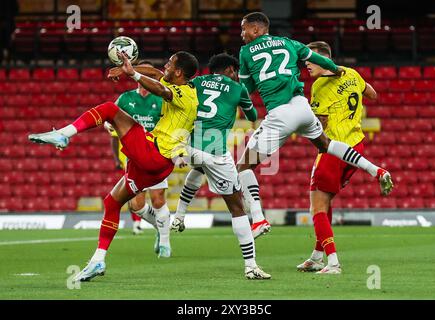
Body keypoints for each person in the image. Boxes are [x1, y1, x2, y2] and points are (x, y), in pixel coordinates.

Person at [28, 51, 199, 281]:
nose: (165, 65)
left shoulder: (184, 95)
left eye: (170, 63)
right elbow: (157, 74)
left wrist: (134, 74)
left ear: (178, 72)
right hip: (158, 165)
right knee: (112, 201)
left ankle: (63, 134)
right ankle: (98, 260)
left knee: (109, 109)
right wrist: (128, 69)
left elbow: (162, 90)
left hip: (154, 153)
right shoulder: (180, 84)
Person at [236, 12, 394, 244]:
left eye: (244, 29)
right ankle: (375, 170)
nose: (242, 34)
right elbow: (322, 61)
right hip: (302, 107)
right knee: (326, 145)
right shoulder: (290, 43)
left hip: (279, 112)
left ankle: (258, 219)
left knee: (243, 166)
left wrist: (243, 102)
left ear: (257, 30)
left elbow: (245, 90)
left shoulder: (246, 51)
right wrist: (337, 69)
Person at [168, 53, 270, 279]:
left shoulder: (195, 82)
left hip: (188, 146)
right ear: (232, 70)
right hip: (215, 152)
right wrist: (241, 95)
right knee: (237, 207)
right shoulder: (238, 88)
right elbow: (252, 115)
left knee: (197, 169)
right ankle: (251, 266)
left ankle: (179, 215)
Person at [296, 41, 378, 274]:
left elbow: (319, 125)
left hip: (334, 150)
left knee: (317, 207)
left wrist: (300, 121)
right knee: (326, 201)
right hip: (356, 147)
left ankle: (333, 263)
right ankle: (316, 256)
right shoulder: (352, 73)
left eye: (310, 60)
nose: (306, 65)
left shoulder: (320, 85)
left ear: (323, 59)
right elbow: (372, 94)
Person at [104, 60, 170, 259]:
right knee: (136, 206)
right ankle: (160, 227)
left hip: (157, 152)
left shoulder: (161, 99)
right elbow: (112, 126)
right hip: (132, 156)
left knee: (158, 199)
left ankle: (165, 241)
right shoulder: (125, 99)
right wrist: (116, 154)